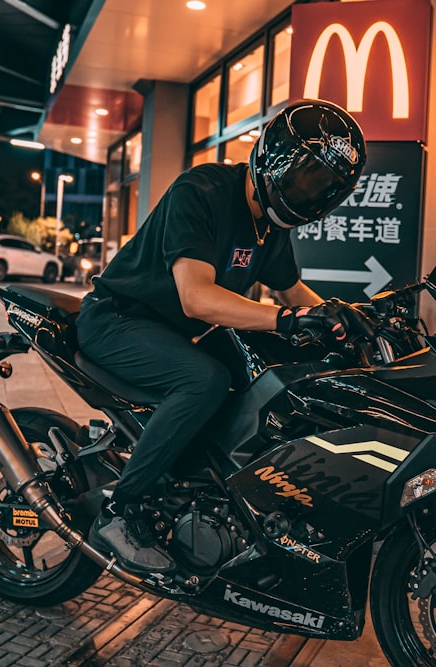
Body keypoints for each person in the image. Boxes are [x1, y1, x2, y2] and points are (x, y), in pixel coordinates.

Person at [76, 99, 367, 573]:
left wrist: (342, 314)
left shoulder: (269, 227)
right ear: (271, 156)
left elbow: (292, 289)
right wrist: (288, 320)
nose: (309, 195)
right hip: (118, 320)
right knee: (204, 380)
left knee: (260, 380)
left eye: (323, 189)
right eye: (304, 177)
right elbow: (197, 298)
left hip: (170, 332)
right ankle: (120, 510)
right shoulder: (204, 190)